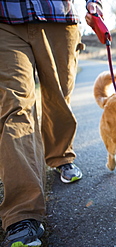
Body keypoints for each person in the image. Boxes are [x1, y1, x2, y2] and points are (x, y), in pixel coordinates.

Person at [0, 0, 103, 246]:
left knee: (59, 99)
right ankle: (22, 214)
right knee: (15, 108)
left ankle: (61, 157)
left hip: (58, 15)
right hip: (5, 18)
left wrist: (93, 3)